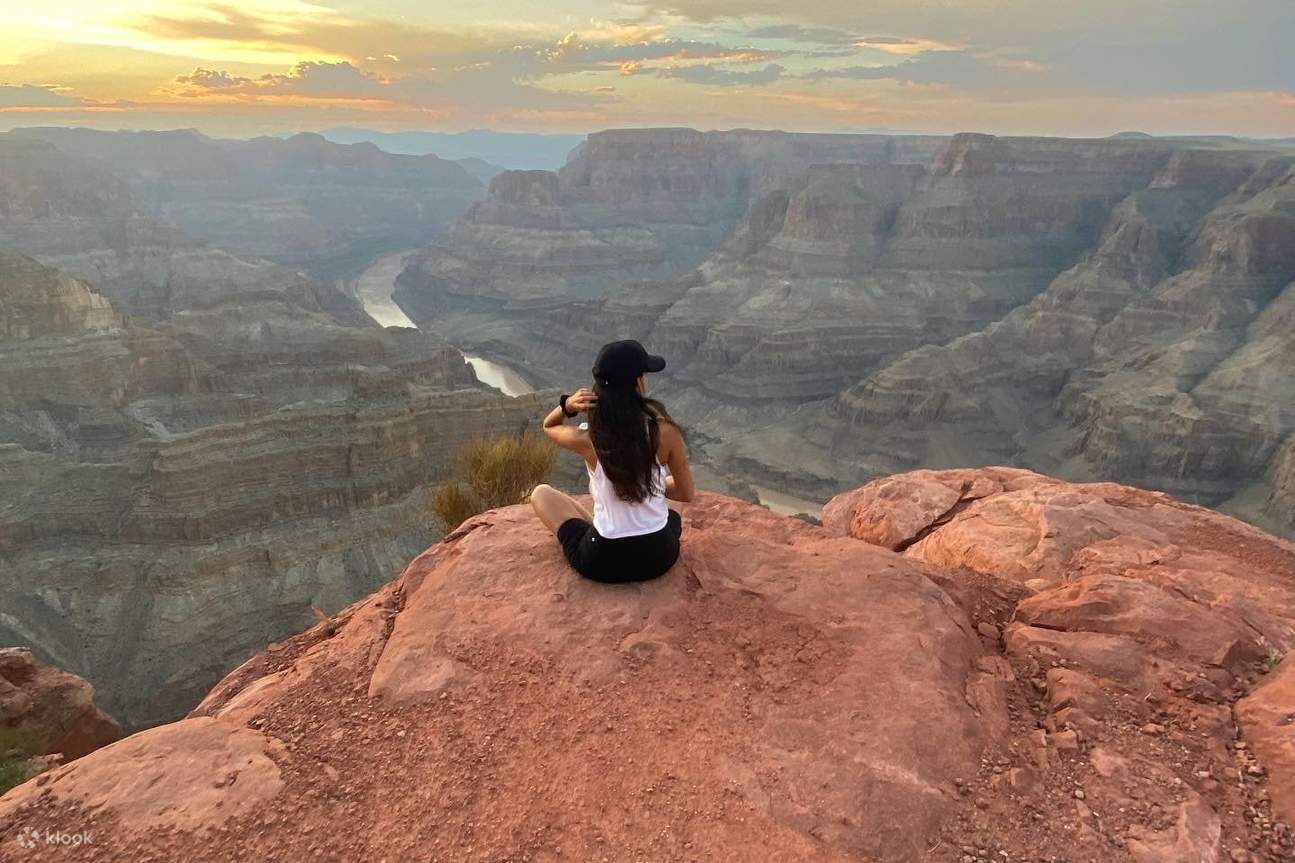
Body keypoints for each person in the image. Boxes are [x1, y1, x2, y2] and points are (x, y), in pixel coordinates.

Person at [530, 339, 695, 583]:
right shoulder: (665, 432)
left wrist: (567, 406)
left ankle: (602, 525)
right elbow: (685, 493)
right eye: (644, 375)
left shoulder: (588, 439)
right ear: (638, 383)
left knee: (541, 494)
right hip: (659, 556)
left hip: (604, 561)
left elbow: (549, 426)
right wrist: (652, 489)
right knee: (668, 484)